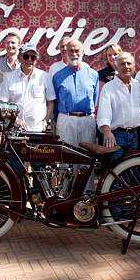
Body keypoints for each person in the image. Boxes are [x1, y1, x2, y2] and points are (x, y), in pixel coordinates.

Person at [53, 39, 98, 190]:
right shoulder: (57, 76)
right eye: (70, 51)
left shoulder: (93, 74)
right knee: (65, 160)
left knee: (87, 159)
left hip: (87, 119)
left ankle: (86, 199)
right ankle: (64, 197)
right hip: (66, 119)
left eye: (77, 50)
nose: (74, 53)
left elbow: (95, 98)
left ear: (83, 52)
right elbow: (55, 103)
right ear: (65, 53)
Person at [0, 44, 55, 131]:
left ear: (36, 60)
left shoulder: (45, 77)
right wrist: (15, 120)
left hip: (38, 130)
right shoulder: (8, 77)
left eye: (33, 57)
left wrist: (46, 121)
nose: (29, 60)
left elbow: (51, 102)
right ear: (19, 58)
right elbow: (2, 104)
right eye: (26, 56)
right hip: (14, 130)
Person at [97, 52, 140, 164]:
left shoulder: (138, 85)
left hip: (134, 136)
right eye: (122, 64)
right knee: (115, 172)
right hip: (116, 136)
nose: (126, 66)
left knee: (131, 172)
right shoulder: (109, 87)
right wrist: (107, 132)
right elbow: (103, 112)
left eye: (129, 63)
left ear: (134, 66)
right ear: (116, 67)